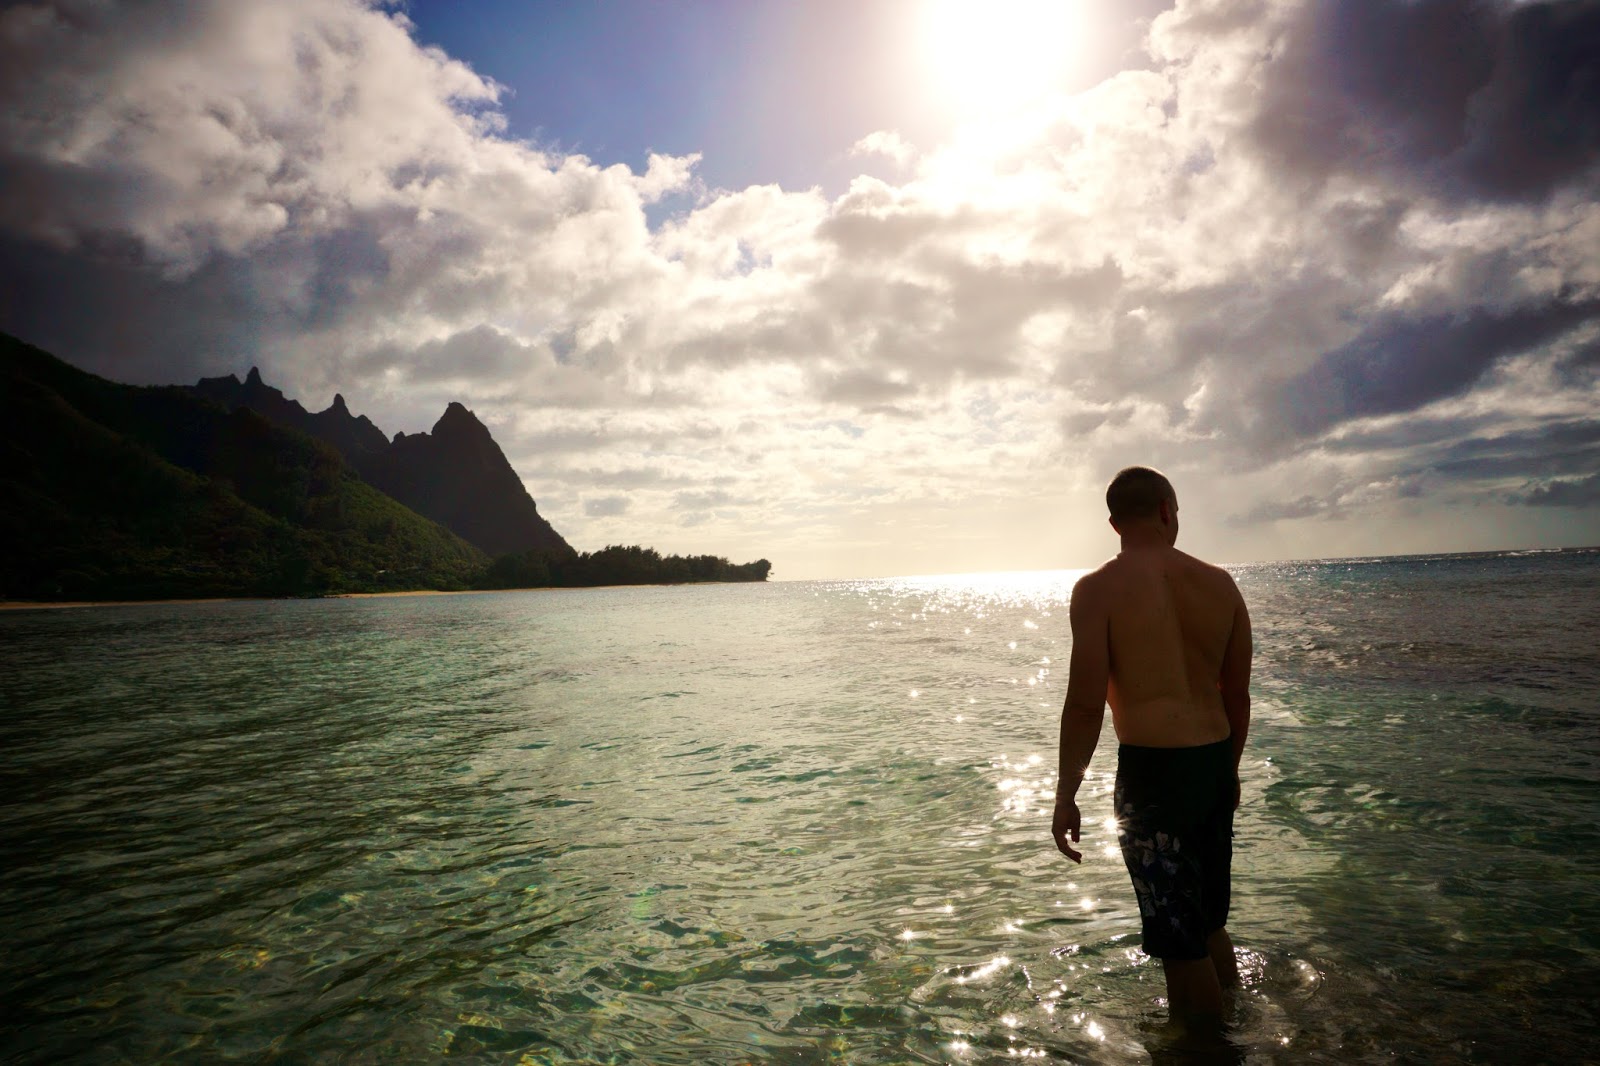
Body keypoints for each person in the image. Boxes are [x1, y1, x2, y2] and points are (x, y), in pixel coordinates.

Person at [1050, 466, 1252, 1022]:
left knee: (1179, 945)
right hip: (1214, 764)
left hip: (1153, 779)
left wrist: (1066, 795)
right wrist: (1230, 771)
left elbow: (1086, 705)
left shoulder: (1097, 591)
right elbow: (1237, 696)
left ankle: (1203, 1052)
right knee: (1208, 923)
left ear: (1114, 523)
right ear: (1167, 510)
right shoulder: (1221, 584)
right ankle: (1238, 1029)